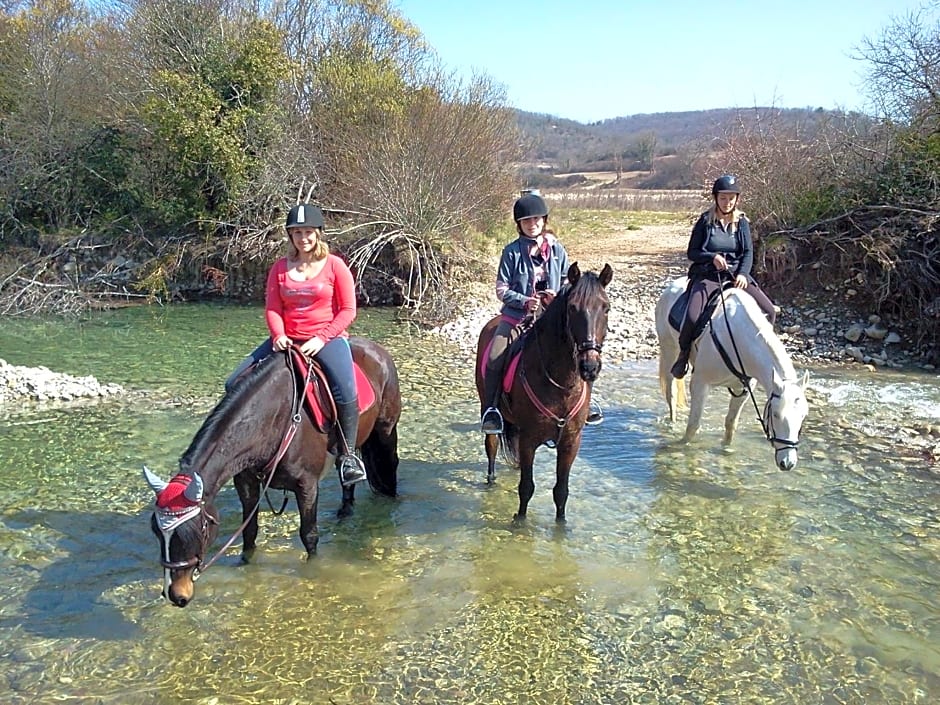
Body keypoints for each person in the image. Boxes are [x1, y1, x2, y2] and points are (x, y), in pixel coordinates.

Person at [226, 203, 367, 487]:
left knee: (346, 388)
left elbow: (348, 310)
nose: (303, 237)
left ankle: (348, 456)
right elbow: (273, 309)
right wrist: (278, 335)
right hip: (286, 339)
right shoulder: (280, 267)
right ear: (290, 236)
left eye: (308, 232)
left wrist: (322, 337)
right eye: (297, 232)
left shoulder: (335, 266)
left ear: (318, 233)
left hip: (325, 338)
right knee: (234, 383)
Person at [479, 191, 603, 434]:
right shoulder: (511, 252)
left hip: (552, 320)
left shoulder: (557, 250)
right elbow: (501, 289)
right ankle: (491, 410)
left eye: (536, 219)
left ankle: (586, 405)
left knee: (584, 349)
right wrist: (526, 301)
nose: (532, 224)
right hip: (517, 318)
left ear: (544, 220)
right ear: (519, 224)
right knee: (494, 356)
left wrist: (557, 298)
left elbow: (569, 283)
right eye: (526, 221)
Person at [670, 174, 777, 379]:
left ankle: (762, 356)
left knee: (770, 311)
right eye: (723, 198)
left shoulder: (742, 222)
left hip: (735, 276)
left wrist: (743, 274)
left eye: (731, 198)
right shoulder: (705, 221)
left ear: (737, 199)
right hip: (708, 277)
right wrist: (712, 257)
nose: (727, 203)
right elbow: (692, 252)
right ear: (715, 198)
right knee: (692, 317)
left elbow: (747, 252)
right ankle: (683, 355)